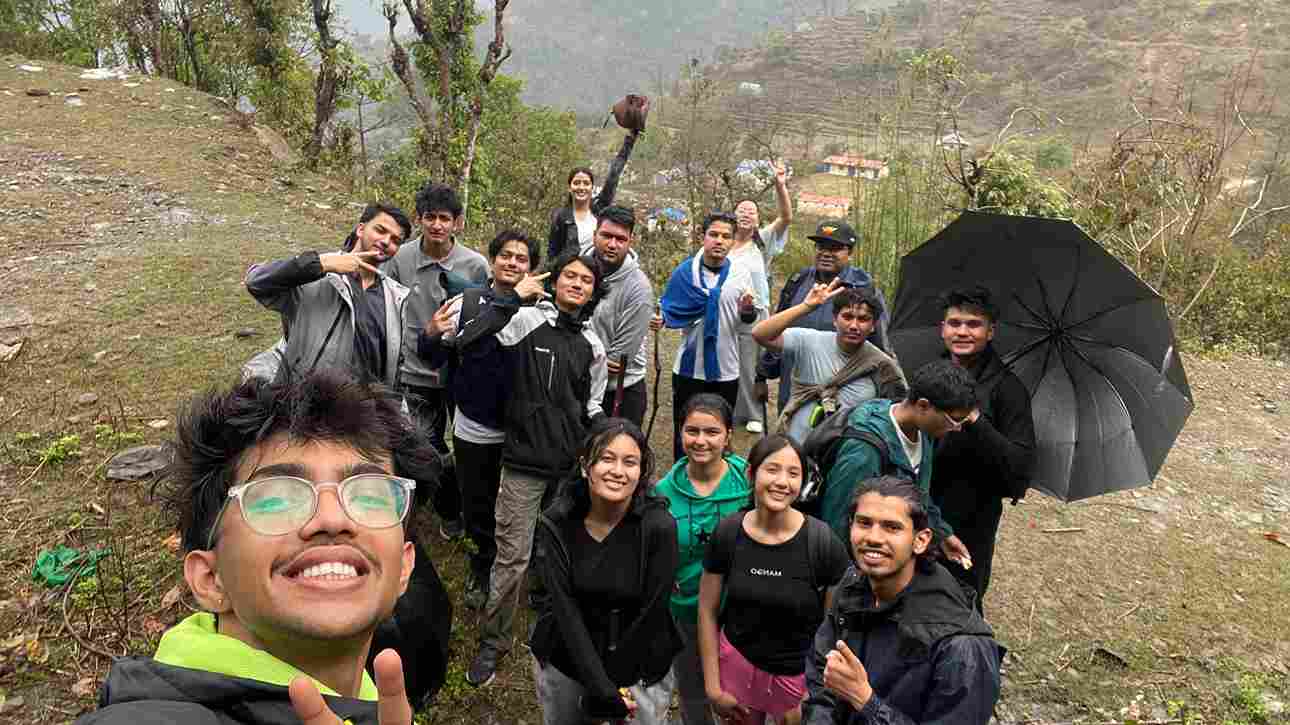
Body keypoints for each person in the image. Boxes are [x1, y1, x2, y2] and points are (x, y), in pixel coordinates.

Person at [78, 370, 441, 723]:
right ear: (210, 578)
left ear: (404, 566)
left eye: (370, 495)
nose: (332, 519)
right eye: (277, 498)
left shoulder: (378, 707)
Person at [461, 250, 609, 688]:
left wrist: (610, 437)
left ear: (593, 292)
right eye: (570, 276)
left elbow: (592, 405)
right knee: (512, 556)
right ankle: (494, 641)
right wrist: (511, 299)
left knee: (558, 551)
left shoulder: (593, 345)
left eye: (586, 280)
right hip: (523, 463)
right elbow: (472, 340)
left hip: (568, 468)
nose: (577, 284)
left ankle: (552, 624)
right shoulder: (525, 320)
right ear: (554, 281)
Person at [803, 477, 1003, 725]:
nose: (874, 537)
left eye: (892, 527)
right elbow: (822, 670)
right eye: (864, 523)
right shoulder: (854, 582)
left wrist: (866, 702)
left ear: (920, 540)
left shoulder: (963, 648)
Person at [529, 418, 681, 724]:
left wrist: (614, 689)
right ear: (585, 466)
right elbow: (564, 609)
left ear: (641, 472)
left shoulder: (659, 527)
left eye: (630, 462)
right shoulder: (557, 522)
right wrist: (600, 687)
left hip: (638, 667)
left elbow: (651, 613)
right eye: (607, 458)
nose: (618, 471)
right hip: (568, 659)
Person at [419, 230, 541, 611]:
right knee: (478, 500)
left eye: (521, 258)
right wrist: (430, 335)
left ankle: (522, 568)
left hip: (524, 429)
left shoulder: (543, 311)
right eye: (506, 255)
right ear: (492, 260)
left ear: (532, 268)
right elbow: (432, 356)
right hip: (475, 424)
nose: (512, 263)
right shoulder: (466, 302)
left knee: (520, 502)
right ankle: (481, 565)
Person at [696, 434, 850, 725]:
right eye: (772, 469)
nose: (782, 482)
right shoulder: (728, 533)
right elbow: (707, 610)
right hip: (736, 669)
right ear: (751, 473)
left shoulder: (822, 542)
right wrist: (713, 688)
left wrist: (811, 697)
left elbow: (836, 629)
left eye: (793, 473)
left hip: (798, 681)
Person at [385, 182, 490, 540]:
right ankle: (447, 508)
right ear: (419, 219)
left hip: (459, 372)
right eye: (430, 217)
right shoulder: (400, 259)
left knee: (468, 444)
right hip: (412, 372)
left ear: (457, 222)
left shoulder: (474, 265)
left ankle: (468, 505)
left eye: (445, 218)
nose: (437, 225)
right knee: (425, 443)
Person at [930, 287, 1034, 614]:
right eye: (954, 323)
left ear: (991, 332)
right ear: (942, 329)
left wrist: (975, 420)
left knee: (959, 602)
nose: (962, 332)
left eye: (973, 324)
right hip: (920, 504)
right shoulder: (929, 373)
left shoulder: (1009, 390)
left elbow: (1020, 472)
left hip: (971, 515)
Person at [650, 395, 752, 725]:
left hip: (741, 610)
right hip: (687, 612)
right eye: (692, 431)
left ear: (728, 435)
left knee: (743, 695)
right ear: (680, 432)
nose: (701, 441)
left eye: (712, 432)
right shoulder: (662, 494)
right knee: (694, 692)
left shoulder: (749, 481)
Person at [819, 361, 973, 566]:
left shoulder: (923, 431)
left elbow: (918, 494)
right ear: (923, 406)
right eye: (953, 420)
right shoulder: (864, 452)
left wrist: (942, 534)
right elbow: (837, 524)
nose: (958, 428)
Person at [243, 202, 412, 385]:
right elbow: (256, 282)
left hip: (366, 400)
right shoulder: (316, 276)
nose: (386, 241)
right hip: (306, 395)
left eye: (395, 240)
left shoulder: (396, 297)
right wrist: (322, 264)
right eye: (380, 230)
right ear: (361, 229)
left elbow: (395, 363)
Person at [758, 221, 892, 415]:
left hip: (842, 388)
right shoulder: (799, 281)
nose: (826, 253)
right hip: (794, 385)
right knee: (790, 427)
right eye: (821, 247)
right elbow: (779, 326)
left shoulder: (863, 288)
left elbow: (880, 345)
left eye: (835, 248)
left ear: (850, 253)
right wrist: (761, 374)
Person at [660, 212, 762, 460]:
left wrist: (747, 311)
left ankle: (716, 478)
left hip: (726, 368)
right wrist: (661, 318)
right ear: (702, 237)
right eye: (713, 234)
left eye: (726, 236)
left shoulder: (740, 273)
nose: (719, 241)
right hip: (689, 369)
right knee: (685, 430)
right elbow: (670, 310)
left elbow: (747, 319)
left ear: (733, 241)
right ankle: (682, 475)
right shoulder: (685, 273)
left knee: (720, 431)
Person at [753, 279, 906, 443]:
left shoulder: (881, 364)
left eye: (863, 319)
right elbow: (760, 334)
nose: (854, 326)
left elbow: (896, 409)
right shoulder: (809, 341)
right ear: (835, 319)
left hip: (845, 450)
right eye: (847, 317)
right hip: (795, 447)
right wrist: (805, 307)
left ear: (873, 325)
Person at [730, 161, 793, 434]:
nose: (746, 214)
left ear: (757, 220)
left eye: (751, 211)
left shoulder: (762, 241)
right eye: (742, 210)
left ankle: (753, 413)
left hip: (754, 313)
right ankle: (728, 409)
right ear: (733, 216)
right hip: (726, 312)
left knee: (750, 366)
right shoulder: (723, 242)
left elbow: (786, 218)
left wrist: (780, 185)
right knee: (726, 362)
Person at [584, 205, 656, 427]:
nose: (612, 244)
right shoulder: (576, 270)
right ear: (595, 234)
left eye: (621, 239)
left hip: (620, 390)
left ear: (630, 241)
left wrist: (573, 356)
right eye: (606, 236)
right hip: (576, 386)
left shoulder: (639, 289)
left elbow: (618, 360)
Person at [546, 129, 641, 261]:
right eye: (576, 183)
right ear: (569, 187)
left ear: (591, 187)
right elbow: (553, 253)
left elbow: (613, 176)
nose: (581, 187)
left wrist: (629, 140)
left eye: (586, 183)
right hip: (572, 270)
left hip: (598, 270)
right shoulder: (561, 217)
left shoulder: (599, 209)